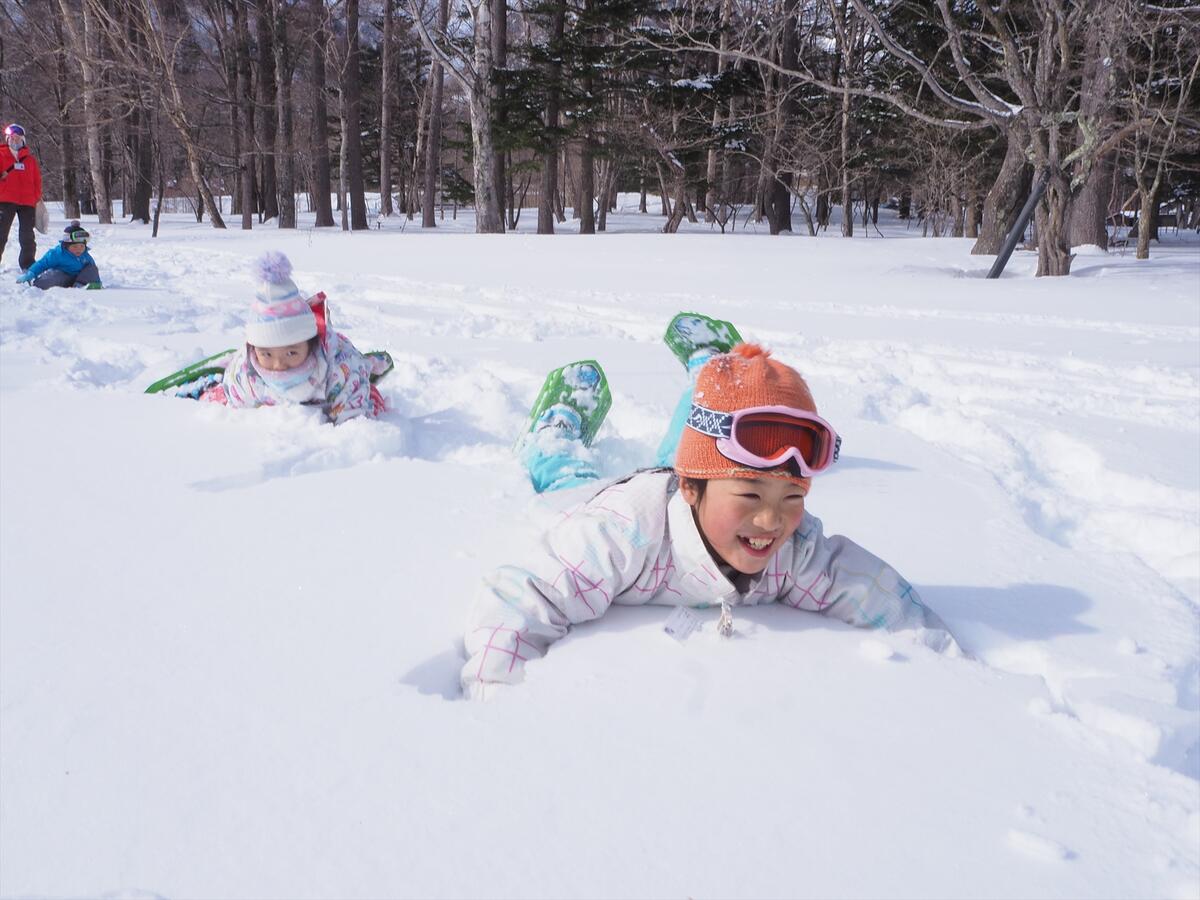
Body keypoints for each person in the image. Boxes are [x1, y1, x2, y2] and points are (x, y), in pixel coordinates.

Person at [461, 343, 959, 697]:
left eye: (793, 496)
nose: (772, 520)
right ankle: (558, 425)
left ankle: (709, 369)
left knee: (682, 450)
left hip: (689, 474)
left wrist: (949, 672)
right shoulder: (621, 531)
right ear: (692, 490)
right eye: (750, 493)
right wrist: (497, 699)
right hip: (604, 495)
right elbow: (523, 596)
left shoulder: (795, 548)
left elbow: (873, 592)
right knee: (566, 473)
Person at [208, 251, 387, 425]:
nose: (279, 365)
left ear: (310, 344)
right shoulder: (244, 373)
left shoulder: (340, 368)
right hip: (261, 392)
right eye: (267, 354)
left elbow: (355, 422)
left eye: (291, 352)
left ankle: (370, 374)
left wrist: (352, 419)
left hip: (336, 385)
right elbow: (235, 409)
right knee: (218, 395)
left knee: (368, 397)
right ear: (254, 348)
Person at [0, 123, 42, 272]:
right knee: (1, 233)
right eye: (11, 138)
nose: (14, 140)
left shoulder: (30, 160)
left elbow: (37, 181)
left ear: (23, 140)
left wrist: (35, 197)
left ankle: (28, 264)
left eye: (17, 138)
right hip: (5, 201)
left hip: (27, 202)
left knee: (27, 236)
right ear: (7, 139)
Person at [15, 222, 102, 289]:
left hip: (80, 278)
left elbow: (92, 270)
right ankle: (38, 284)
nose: (79, 249)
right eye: (75, 246)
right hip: (62, 276)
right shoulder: (57, 253)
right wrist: (31, 273)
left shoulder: (85, 255)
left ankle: (80, 286)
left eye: (82, 246)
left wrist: (97, 281)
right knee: (46, 281)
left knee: (91, 268)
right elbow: (42, 264)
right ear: (66, 245)